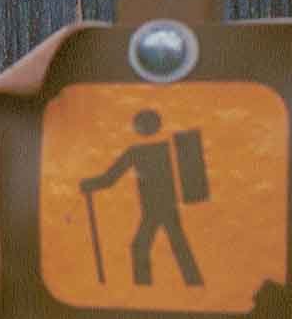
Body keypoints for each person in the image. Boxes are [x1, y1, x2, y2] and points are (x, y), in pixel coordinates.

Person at [79, 109, 204, 287]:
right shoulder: (166, 147)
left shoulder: (137, 151)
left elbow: (110, 179)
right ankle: (193, 282)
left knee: (143, 247)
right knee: (174, 245)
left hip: (154, 209)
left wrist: (89, 184)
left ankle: (145, 287)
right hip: (166, 206)